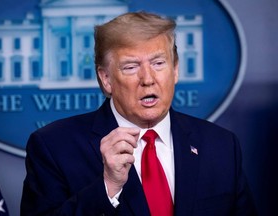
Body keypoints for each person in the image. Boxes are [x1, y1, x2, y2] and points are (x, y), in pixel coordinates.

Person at [21, 11, 257, 215]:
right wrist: (108, 186)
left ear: (175, 70)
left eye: (158, 63)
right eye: (131, 67)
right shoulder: (53, 147)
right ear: (106, 79)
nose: (148, 79)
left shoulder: (221, 146)